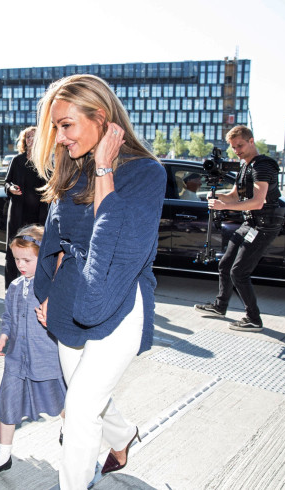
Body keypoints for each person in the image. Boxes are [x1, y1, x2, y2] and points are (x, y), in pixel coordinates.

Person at [32, 74, 166, 489]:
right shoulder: (70, 170)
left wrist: (105, 166)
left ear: (102, 119)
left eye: (66, 124)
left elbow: (115, 244)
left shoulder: (146, 173)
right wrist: (50, 292)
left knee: (81, 406)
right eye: (55, 126)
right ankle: (124, 435)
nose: (59, 136)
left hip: (122, 297)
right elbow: (55, 238)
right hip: (73, 295)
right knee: (87, 393)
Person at [0, 225, 65, 477]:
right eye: (16, 259)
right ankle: (4, 454)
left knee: (61, 401)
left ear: (44, 257)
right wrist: (4, 335)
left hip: (45, 356)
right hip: (16, 358)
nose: (21, 265)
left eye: (27, 260)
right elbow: (7, 315)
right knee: (8, 405)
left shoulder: (51, 288)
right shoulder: (15, 286)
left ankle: (71, 432)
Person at [194, 125, 284, 332]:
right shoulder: (245, 166)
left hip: (264, 225)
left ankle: (253, 319)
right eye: (234, 147)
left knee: (239, 272)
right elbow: (235, 195)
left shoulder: (263, 166)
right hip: (250, 223)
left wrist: (224, 206)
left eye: (240, 145)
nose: (237, 150)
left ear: (251, 141)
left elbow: (258, 202)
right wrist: (216, 197)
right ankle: (220, 306)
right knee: (225, 264)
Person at [3, 126, 49, 288]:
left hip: (38, 216)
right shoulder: (17, 160)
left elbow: (51, 187)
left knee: (36, 253)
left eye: (34, 137)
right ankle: (10, 289)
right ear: (24, 141)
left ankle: (35, 290)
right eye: (28, 137)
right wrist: (10, 188)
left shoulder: (45, 162)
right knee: (12, 253)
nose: (30, 140)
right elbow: (7, 182)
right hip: (17, 214)